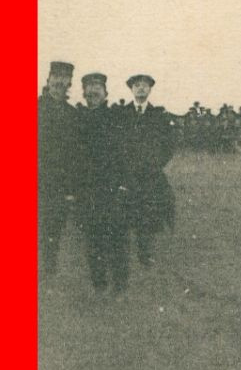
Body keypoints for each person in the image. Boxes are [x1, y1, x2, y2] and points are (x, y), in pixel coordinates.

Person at [76, 72, 131, 296]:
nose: (92, 92)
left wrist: (123, 184)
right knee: (93, 239)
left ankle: (119, 285)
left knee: (116, 237)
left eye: (97, 87)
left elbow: (127, 153)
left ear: (105, 92)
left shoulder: (115, 118)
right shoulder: (78, 118)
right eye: (89, 87)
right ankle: (99, 285)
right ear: (84, 93)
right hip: (87, 189)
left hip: (112, 189)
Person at [123, 75, 176, 267]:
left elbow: (169, 145)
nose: (141, 89)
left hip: (150, 175)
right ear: (131, 89)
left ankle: (145, 254)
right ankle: (123, 254)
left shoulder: (158, 115)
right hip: (127, 174)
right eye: (137, 86)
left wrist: (156, 164)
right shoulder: (123, 113)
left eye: (145, 86)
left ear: (150, 90)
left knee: (148, 214)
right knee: (126, 213)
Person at [38, 60, 79, 277]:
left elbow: (75, 155)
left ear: (69, 83)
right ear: (48, 79)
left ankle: (48, 268)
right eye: (56, 77)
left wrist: (71, 188)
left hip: (59, 183)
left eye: (64, 78)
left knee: (52, 226)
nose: (60, 81)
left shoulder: (72, 114)